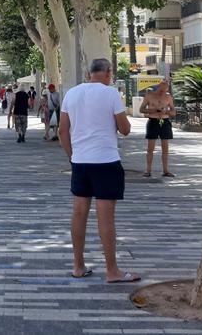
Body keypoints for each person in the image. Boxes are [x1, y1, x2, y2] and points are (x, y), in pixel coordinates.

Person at [60, 58, 138, 283]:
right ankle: (112, 271)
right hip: (106, 161)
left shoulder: (71, 94)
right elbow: (125, 129)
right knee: (105, 217)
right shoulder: (111, 93)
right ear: (108, 73)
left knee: (78, 213)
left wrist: (72, 157)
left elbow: (63, 131)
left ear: (88, 73)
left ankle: (78, 266)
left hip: (81, 162)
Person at [142, 79, 177, 177]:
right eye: (162, 89)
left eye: (165, 89)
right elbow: (141, 109)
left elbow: (174, 112)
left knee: (165, 148)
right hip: (153, 121)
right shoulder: (149, 95)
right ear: (159, 86)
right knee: (150, 148)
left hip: (164, 122)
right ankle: (148, 170)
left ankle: (165, 170)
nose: (163, 91)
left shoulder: (168, 97)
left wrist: (166, 112)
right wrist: (152, 110)